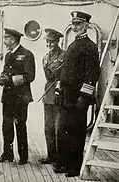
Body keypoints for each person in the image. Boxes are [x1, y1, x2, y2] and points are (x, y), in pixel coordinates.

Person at [54, 11, 100, 177]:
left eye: (79, 24)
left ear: (87, 25)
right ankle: (64, 163)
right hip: (66, 95)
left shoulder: (90, 46)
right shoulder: (72, 45)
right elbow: (64, 72)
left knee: (76, 133)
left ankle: (74, 167)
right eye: (73, 24)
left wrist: (84, 97)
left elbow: (93, 73)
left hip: (78, 97)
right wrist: (58, 89)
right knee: (64, 131)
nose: (75, 27)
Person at [0, 28, 35, 165]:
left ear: (13, 39)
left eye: (6, 38)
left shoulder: (27, 54)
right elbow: (6, 72)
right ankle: (7, 154)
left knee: (20, 125)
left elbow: (30, 76)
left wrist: (9, 80)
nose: (4, 41)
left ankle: (23, 157)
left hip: (21, 98)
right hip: (8, 97)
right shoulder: (8, 55)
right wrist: (1, 79)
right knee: (6, 126)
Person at [38, 29, 65, 165]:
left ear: (57, 41)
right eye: (47, 41)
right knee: (48, 127)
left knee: (58, 128)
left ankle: (60, 158)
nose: (49, 44)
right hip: (48, 95)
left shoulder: (64, 56)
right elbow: (48, 77)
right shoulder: (45, 57)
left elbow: (59, 75)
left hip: (58, 94)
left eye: (52, 41)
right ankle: (51, 156)